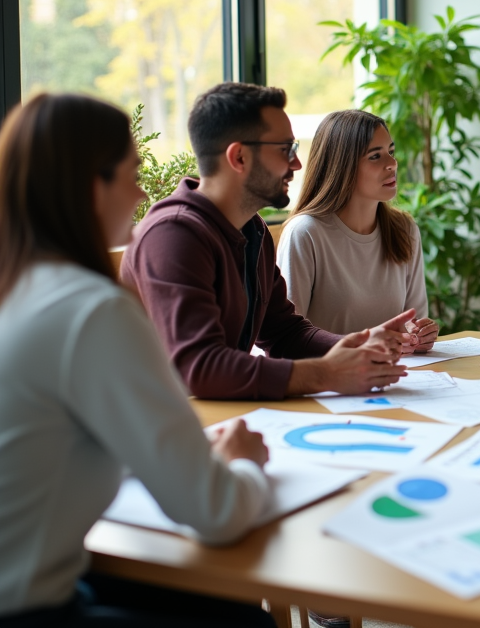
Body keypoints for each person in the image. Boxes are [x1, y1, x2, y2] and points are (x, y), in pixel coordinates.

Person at [0, 94, 276, 628]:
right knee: (243, 621)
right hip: (28, 608)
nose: (141, 193)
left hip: (35, 580)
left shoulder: (20, 290)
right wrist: (244, 461)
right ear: (88, 187)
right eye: (130, 174)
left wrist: (191, 455)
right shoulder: (92, 311)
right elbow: (215, 513)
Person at [121, 82, 409, 400]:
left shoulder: (251, 229)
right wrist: (328, 373)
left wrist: (353, 345)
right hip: (164, 428)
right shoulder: (173, 235)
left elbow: (284, 332)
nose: (297, 164)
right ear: (239, 157)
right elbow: (200, 368)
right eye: (286, 150)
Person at [277, 109, 438, 353]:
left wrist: (420, 336)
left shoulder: (405, 229)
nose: (392, 164)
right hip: (329, 383)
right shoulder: (306, 233)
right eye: (375, 156)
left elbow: (412, 323)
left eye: (390, 152)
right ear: (342, 165)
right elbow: (286, 339)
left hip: (397, 378)